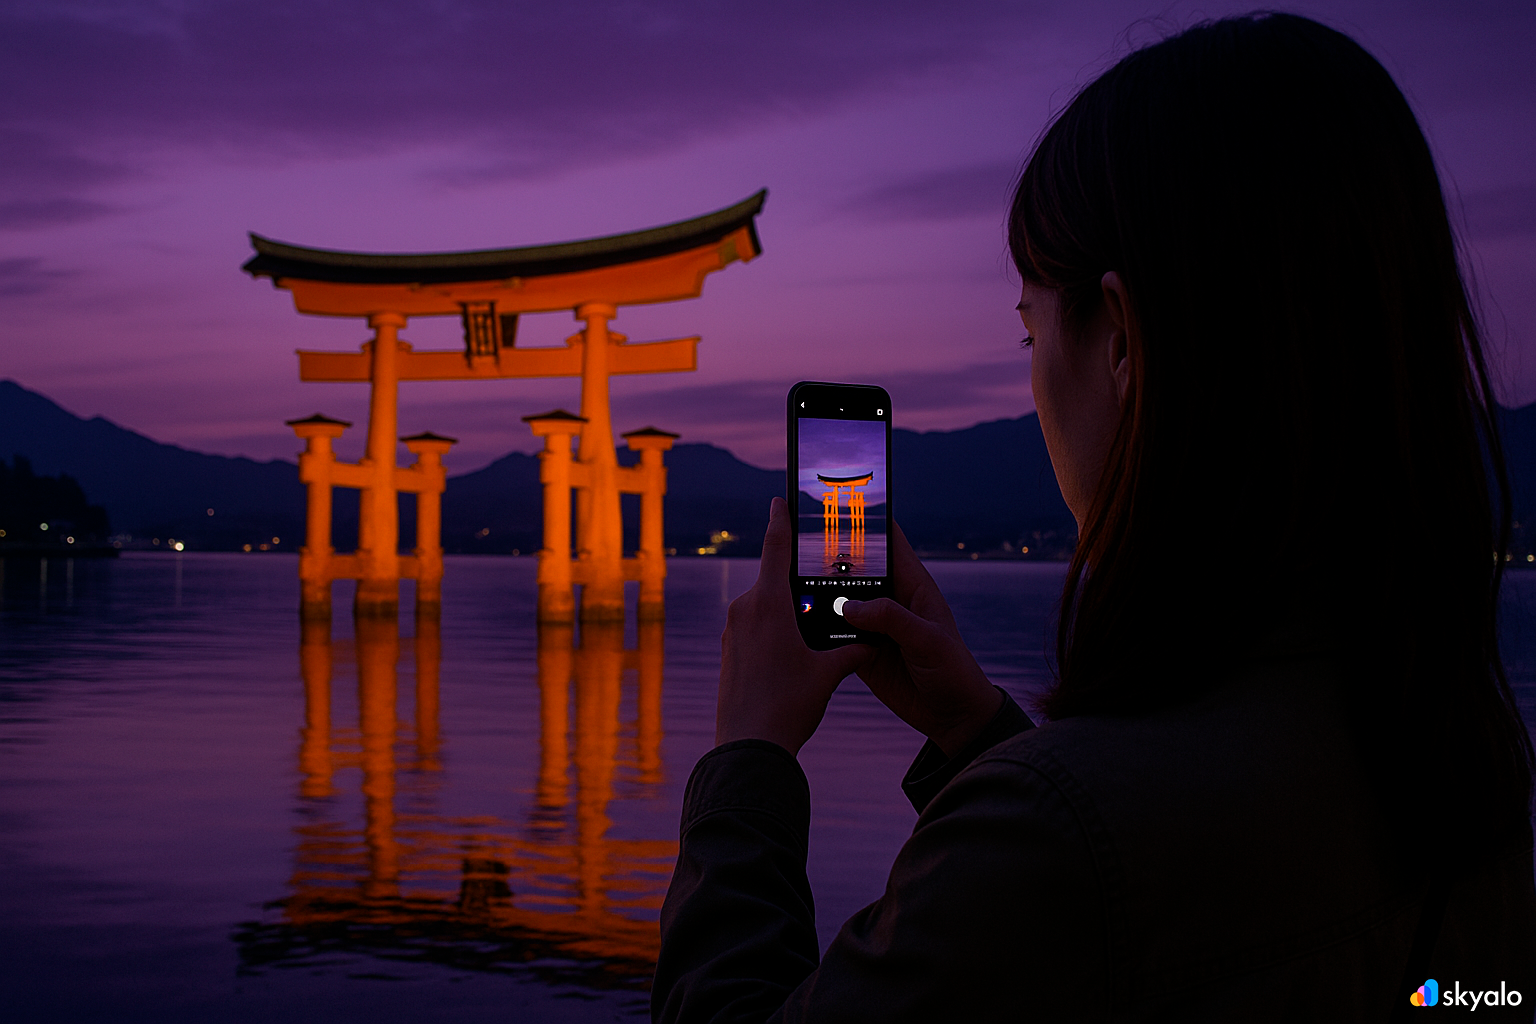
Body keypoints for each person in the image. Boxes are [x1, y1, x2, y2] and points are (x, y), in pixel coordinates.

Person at [652, 13, 1536, 1022]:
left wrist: (748, 758)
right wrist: (977, 731)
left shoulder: (1049, 839)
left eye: (1031, 330)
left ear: (1120, 339)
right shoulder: (1464, 760)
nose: (1035, 382)